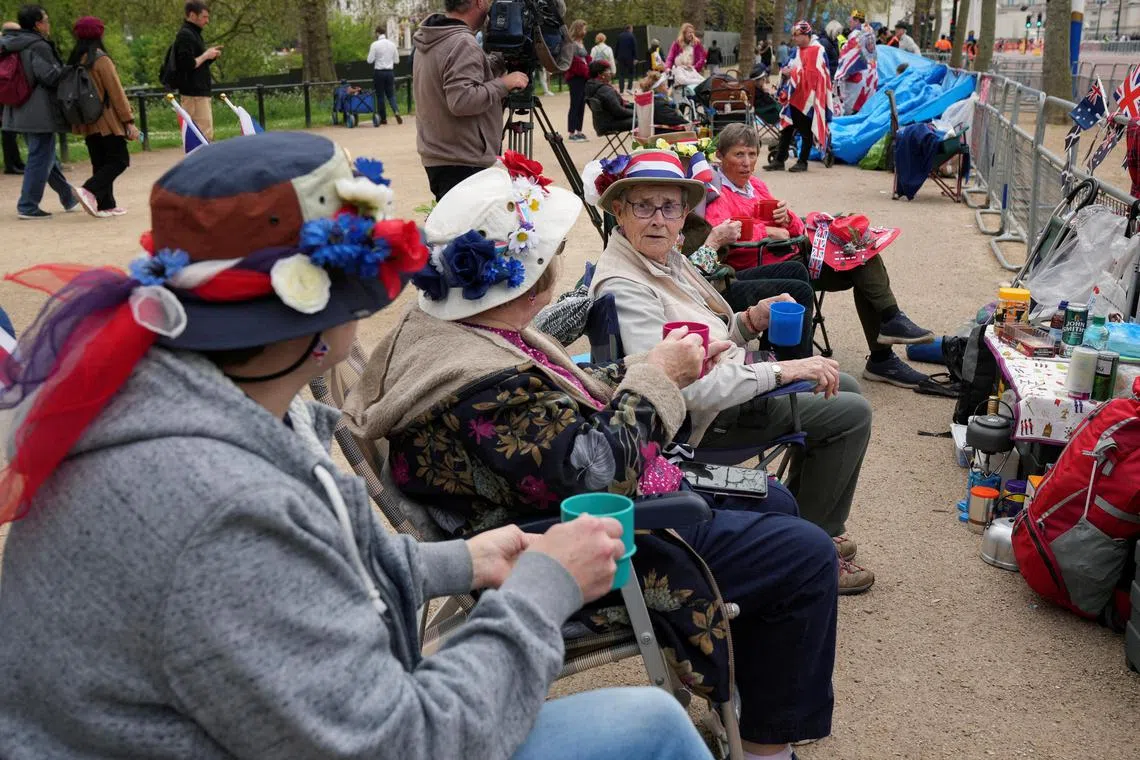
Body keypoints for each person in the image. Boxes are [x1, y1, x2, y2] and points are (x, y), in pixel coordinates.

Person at [0, 131, 714, 760]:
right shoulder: (222, 503)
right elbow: (402, 742)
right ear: (320, 310)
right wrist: (543, 588)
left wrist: (457, 560)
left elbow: (296, 568)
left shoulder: (194, 404)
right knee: (649, 724)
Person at [344, 160, 843, 757]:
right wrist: (658, 379)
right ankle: (763, 748)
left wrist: (646, 368)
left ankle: (746, 698)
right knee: (807, 553)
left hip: (542, 514)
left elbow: (560, 403)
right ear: (533, 278)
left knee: (780, 502)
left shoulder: (465, 332)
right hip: (576, 543)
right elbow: (593, 471)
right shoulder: (478, 384)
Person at [587, 149, 876, 589]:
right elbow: (682, 388)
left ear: (685, 213)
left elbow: (706, 342)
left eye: (669, 207)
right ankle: (812, 549)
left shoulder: (659, 258)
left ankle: (806, 524)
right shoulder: (627, 285)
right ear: (619, 212)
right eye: (643, 206)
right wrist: (785, 370)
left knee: (845, 384)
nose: (658, 219)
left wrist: (749, 321)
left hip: (721, 390)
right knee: (850, 413)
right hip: (700, 421)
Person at [705, 127, 936, 388]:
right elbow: (720, 229)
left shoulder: (756, 185)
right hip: (763, 266)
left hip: (791, 256)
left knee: (860, 253)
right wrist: (767, 230)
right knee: (850, 262)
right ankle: (884, 348)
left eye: (752, 154)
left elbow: (794, 229)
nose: (747, 163)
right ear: (720, 157)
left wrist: (787, 217)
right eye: (738, 154)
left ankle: (889, 328)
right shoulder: (717, 192)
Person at [413, 0, 529, 200]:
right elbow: (462, 100)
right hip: (463, 159)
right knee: (473, 231)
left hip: (443, 156)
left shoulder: (433, 37)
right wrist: (505, 84)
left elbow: (460, 78)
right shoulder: (462, 42)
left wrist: (497, 63)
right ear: (479, 2)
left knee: (456, 228)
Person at [0, 4, 79, 220]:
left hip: (17, 108)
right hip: (39, 111)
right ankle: (28, 205)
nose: (48, 24)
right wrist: (71, 69)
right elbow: (50, 77)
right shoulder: (38, 46)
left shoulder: (10, 43)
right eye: (46, 20)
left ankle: (68, 196)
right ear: (37, 24)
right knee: (40, 155)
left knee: (45, 155)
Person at [67, 16, 139, 218]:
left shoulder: (75, 59)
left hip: (86, 119)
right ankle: (89, 189)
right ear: (100, 33)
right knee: (119, 160)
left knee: (100, 162)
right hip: (106, 120)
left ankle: (106, 204)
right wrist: (128, 121)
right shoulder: (100, 59)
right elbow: (116, 92)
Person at [766, 21, 831, 173]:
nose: (794, 38)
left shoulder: (817, 50)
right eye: (793, 35)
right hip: (794, 94)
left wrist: (793, 73)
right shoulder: (798, 50)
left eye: (797, 35)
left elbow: (816, 75)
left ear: (805, 35)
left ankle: (803, 161)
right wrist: (786, 71)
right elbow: (791, 65)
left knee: (805, 129)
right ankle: (779, 160)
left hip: (808, 97)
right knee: (787, 127)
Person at [171, 0, 220, 141]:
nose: (207, 21)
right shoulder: (185, 35)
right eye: (204, 17)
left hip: (198, 92)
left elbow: (197, 63)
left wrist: (210, 57)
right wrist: (206, 55)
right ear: (192, 15)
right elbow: (187, 64)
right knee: (203, 135)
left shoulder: (194, 34)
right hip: (194, 94)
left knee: (203, 134)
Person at [835, 9, 877, 115]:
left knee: (850, 110)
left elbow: (848, 55)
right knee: (864, 109)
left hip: (857, 77)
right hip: (870, 77)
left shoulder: (856, 34)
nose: (850, 23)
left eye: (851, 20)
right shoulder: (870, 33)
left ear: (857, 21)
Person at [0, 21, 24, 176]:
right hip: (5, 91)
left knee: (9, 128)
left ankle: (15, 162)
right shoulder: (9, 47)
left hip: (5, 91)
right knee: (8, 128)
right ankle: (11, 163)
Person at [367, 24, 403, 125]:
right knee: (391, 94)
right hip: (390, 72)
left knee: (380, 96)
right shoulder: (392, 44)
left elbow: (369, 60)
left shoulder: (375, 45)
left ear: (377, 33)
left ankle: (383, 118)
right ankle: (396, 111)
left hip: (379, 72)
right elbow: (397, 61)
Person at [585, 60, 632, 133]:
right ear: (600, 74)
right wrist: (635, 112)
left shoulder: (591, 86)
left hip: (600, 124)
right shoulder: (605, 90)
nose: (610, 72)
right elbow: (619, 111)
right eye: (607, 70)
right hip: (610, 124)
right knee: (644, 120)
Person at [564, 19, 590, 142]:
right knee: (575, 104)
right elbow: (572, 62)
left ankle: (579, 130)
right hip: (576, 77)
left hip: (584, 76)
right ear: (578, 29)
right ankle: (571, 132)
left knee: (581, 104)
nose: (585, 31)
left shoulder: (581, 42)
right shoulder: (573, 44)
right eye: (584, 28)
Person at [665, 23, 706, 88]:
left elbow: (702, 58)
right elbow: (670, 57)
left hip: (693, 72)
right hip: (680, 72)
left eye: (692, 32)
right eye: (689, 32)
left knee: (700, 84)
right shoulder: (676, 44)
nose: (691, 34)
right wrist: (667, 68)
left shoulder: (697, 44)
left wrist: (694, 67)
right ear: (684, 33)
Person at [614, 24, 637, 93]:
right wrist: (635, 58)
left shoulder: (620, 36)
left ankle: (621, 90)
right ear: (630, 29)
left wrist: (615, 58)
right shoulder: (632, 36)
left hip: (620, 58)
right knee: (631, 73)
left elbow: (616, 47)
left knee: (621, 74)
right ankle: (629, 88)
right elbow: (634, 48)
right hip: (630, 58)